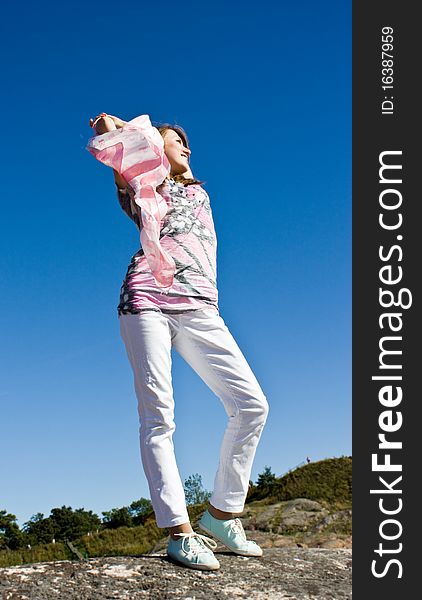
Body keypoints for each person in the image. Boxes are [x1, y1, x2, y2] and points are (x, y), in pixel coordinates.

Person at [87, 112, 270, 571]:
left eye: (187, 143)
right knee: (158, 417)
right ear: (154, 147)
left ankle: (224, 514)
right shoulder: (144, 188)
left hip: (201, 309)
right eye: (175, 142)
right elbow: (117, 146)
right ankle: (179, 532)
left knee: (252, 405)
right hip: (146, 300)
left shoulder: (200, 193)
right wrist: (115, 126)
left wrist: (167, 149)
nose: (186, 148)